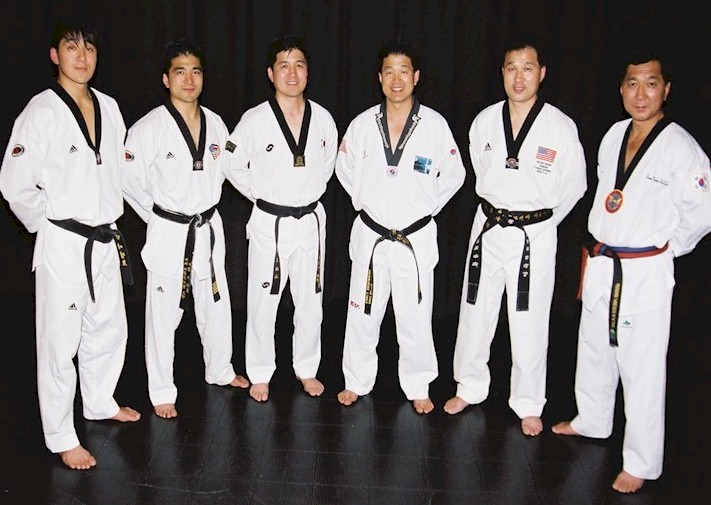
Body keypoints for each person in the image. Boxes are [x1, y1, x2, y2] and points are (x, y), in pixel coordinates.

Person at [552, 50, 711, 493]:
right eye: (632, 84)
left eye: (651, 84)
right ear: (621, 89)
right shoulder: (613, 135)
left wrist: (664, 249)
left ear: (667, 89)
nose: (641, 94)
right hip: (603, 260)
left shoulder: (682, 148)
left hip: (644, 267)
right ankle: (592, 419)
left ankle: (641, 461)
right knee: (594, 349)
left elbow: (701, 214)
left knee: (641, 366)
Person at [0, 18, 141, 470]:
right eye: (71, 47)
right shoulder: (40, 111)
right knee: (59, 343)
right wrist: (47, 224)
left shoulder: (110, 107)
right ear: (54, 55)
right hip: (63, 240)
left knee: (109, 327)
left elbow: (116, 171)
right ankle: (61, 435)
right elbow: (15, 185)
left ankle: (99, 401)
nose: (82, 57)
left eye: (89, 48)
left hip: (105, 236)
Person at [443, 35, 587, 436]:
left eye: (527, 68)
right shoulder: (485, 121)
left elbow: (575, 186)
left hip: (534, 234)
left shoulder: (560, 127)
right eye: (511, 69)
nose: (519, 77)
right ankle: (469, 387)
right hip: (489, 226)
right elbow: (480, 168)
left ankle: (527, 402)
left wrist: (540, 222)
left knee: (529, 320)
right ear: (502, 73)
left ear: (542, 73)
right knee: (475, 310)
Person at [336, 38, 465, 414]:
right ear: (379, 77)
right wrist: (365, 201)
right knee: (362, 312)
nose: (396, 79)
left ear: (416, 76)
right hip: (372, 235)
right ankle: (356, 381)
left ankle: (418, 385)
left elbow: (454, 174)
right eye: (389, 71)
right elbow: (344, 168)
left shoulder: (434, 125)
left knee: (415, 317)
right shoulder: (362, 124)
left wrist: (426, 209)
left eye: (403, 71)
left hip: (415, 238)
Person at [122, 39, 249, 419]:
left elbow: (226, 171)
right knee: (163, 315)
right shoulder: (148, 128)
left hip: (207, 227)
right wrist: (159, 216)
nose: (189, 79)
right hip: (169, 230)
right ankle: (162, 390)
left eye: (196, 71)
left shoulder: (216, 123)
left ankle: (220, 369)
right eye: (180, 72)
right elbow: (128, 181)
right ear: (166, 79)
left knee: (215, 303)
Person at [224, 35, 338, 402]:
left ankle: (307, 368)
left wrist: (304, 193)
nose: (292, 73)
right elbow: (231, 164)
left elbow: (327, 167)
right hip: (270, 223)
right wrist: (261, 194)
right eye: (284, 66)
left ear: (308, 72)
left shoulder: (323, 118)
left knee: (310, 301)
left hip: (310, 220)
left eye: (299, 65)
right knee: (263, 302)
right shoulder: (255, 119)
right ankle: (260, 372)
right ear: (271, 74)